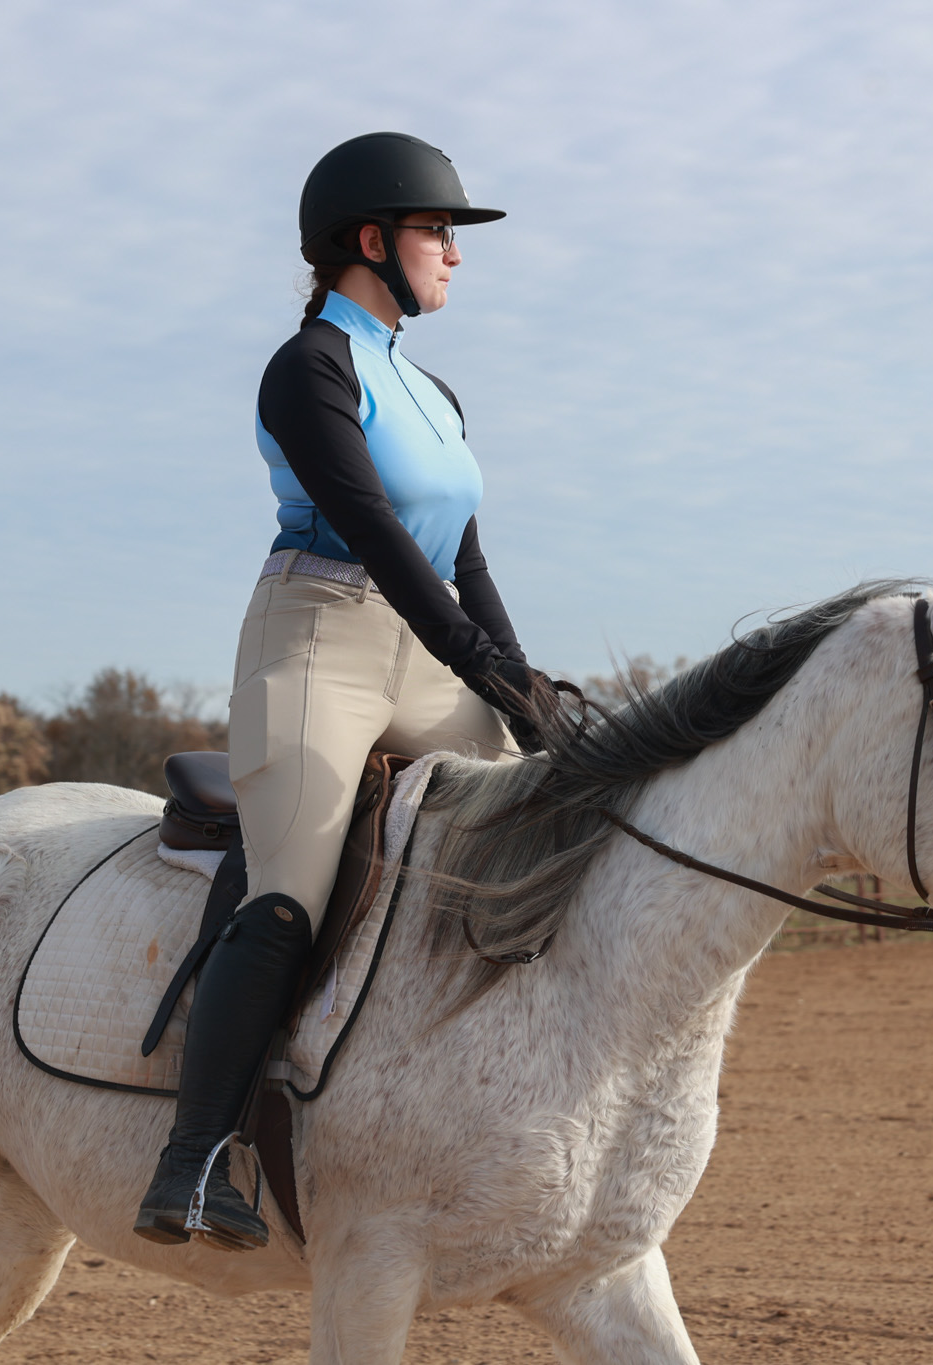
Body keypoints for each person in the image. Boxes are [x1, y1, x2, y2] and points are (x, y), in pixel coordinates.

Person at [133, 132, 555, 1251]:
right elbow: (370, 528)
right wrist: (483, 663)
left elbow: (463, 558)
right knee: (291, 892)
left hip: (430, 645)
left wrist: (523, 690)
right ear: (371, 242)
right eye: (437, 231)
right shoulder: (307, 366)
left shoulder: (433, 387)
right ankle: (194, 1158)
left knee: (551, 827)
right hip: (314, 638)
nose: (455, 255)